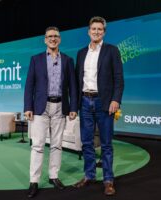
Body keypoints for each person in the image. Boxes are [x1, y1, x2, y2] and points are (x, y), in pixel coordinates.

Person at [24, 26, 77, 198]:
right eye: (50, 36)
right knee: (37, 145)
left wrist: (73, 107)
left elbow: (73, 87)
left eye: (56, 36)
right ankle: (34, 181)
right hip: (41, 107)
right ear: (45, 40)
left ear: (60, 39)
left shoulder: (68, 60)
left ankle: (54, 176)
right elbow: (29, 85)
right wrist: (28, 107)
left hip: (60, 107)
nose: (53, 39)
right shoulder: (36, 59)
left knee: (56, 145)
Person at [73, 16, 124, 196]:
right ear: (88, 31)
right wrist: (74, 105)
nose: (96, 32)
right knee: (86, 143)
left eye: (99, 29)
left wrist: (115, 100)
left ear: (104, 32)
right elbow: (76, 81)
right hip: (85, 102)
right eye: (93, 29)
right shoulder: (80, 53)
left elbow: (118, 78)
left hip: (104, 102)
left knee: (106, 144)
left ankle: (108, 180)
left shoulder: (112, 50)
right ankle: (89, 175)